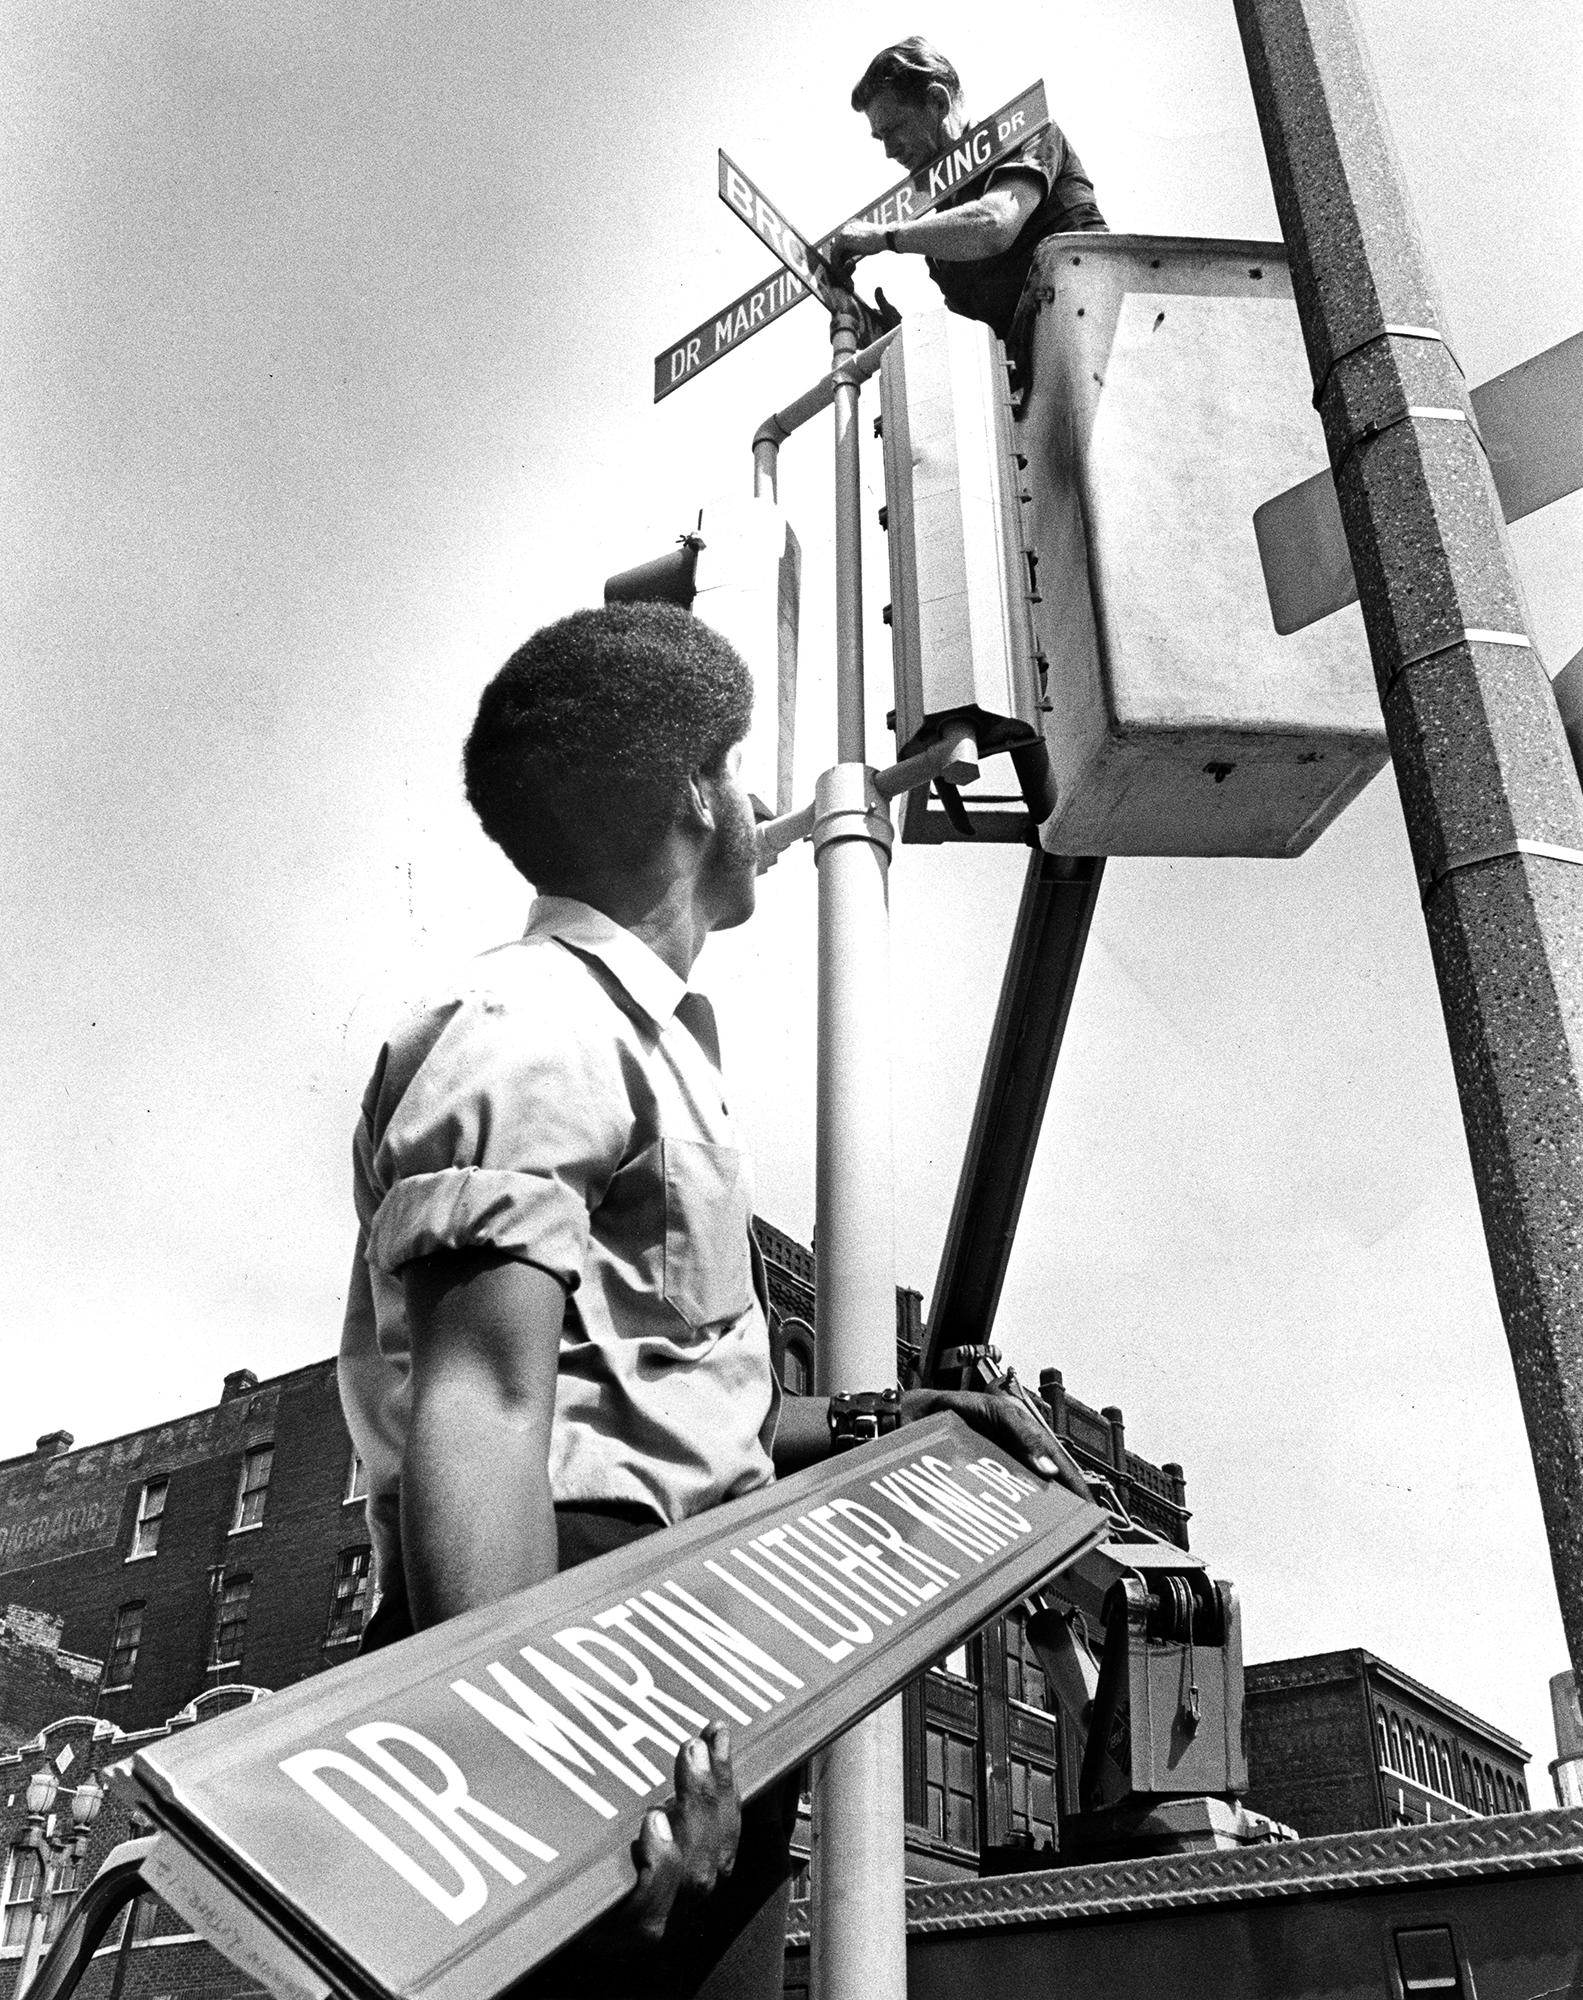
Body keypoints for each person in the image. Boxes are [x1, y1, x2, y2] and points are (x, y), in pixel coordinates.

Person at [337, 602, 1077, 1999]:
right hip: (571, 1634)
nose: (756, 805)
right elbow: (486, 1400)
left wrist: (877, 1423)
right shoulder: (533, 1024)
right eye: (737, 769)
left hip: (678, 1648)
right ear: (693, 796)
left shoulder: (647, 1042)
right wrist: (533, 1808)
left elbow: (659, 1391)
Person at [830, 37, 1106, 362]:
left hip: (1097, 341)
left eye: (894, 129)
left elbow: (994, 223)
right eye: (880, 137)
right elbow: (972, 347)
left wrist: (883, 237)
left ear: (938, 101)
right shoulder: (943, 229)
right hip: (1035, 386)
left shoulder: (1025, 134)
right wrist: (894, 342)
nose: (889, 151)